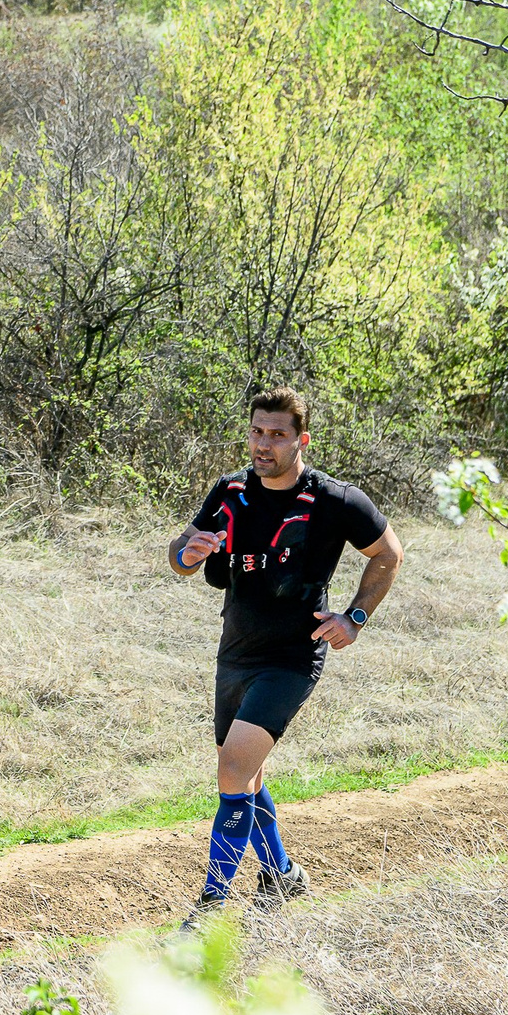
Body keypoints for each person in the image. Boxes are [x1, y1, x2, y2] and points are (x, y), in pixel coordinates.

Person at [166, 388, 403, 925]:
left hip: (294, 656)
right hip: (236, 652)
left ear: (301, 440)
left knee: (232, 767)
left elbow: (389, 554)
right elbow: (182, 550)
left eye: (277, 434)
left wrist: (354, 618)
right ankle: (283, 874)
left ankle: (209, 912)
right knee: (246, 776)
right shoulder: (229, 492)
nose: (264, 444)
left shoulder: (336, 501)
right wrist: (188, 553)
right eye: (257, 432)